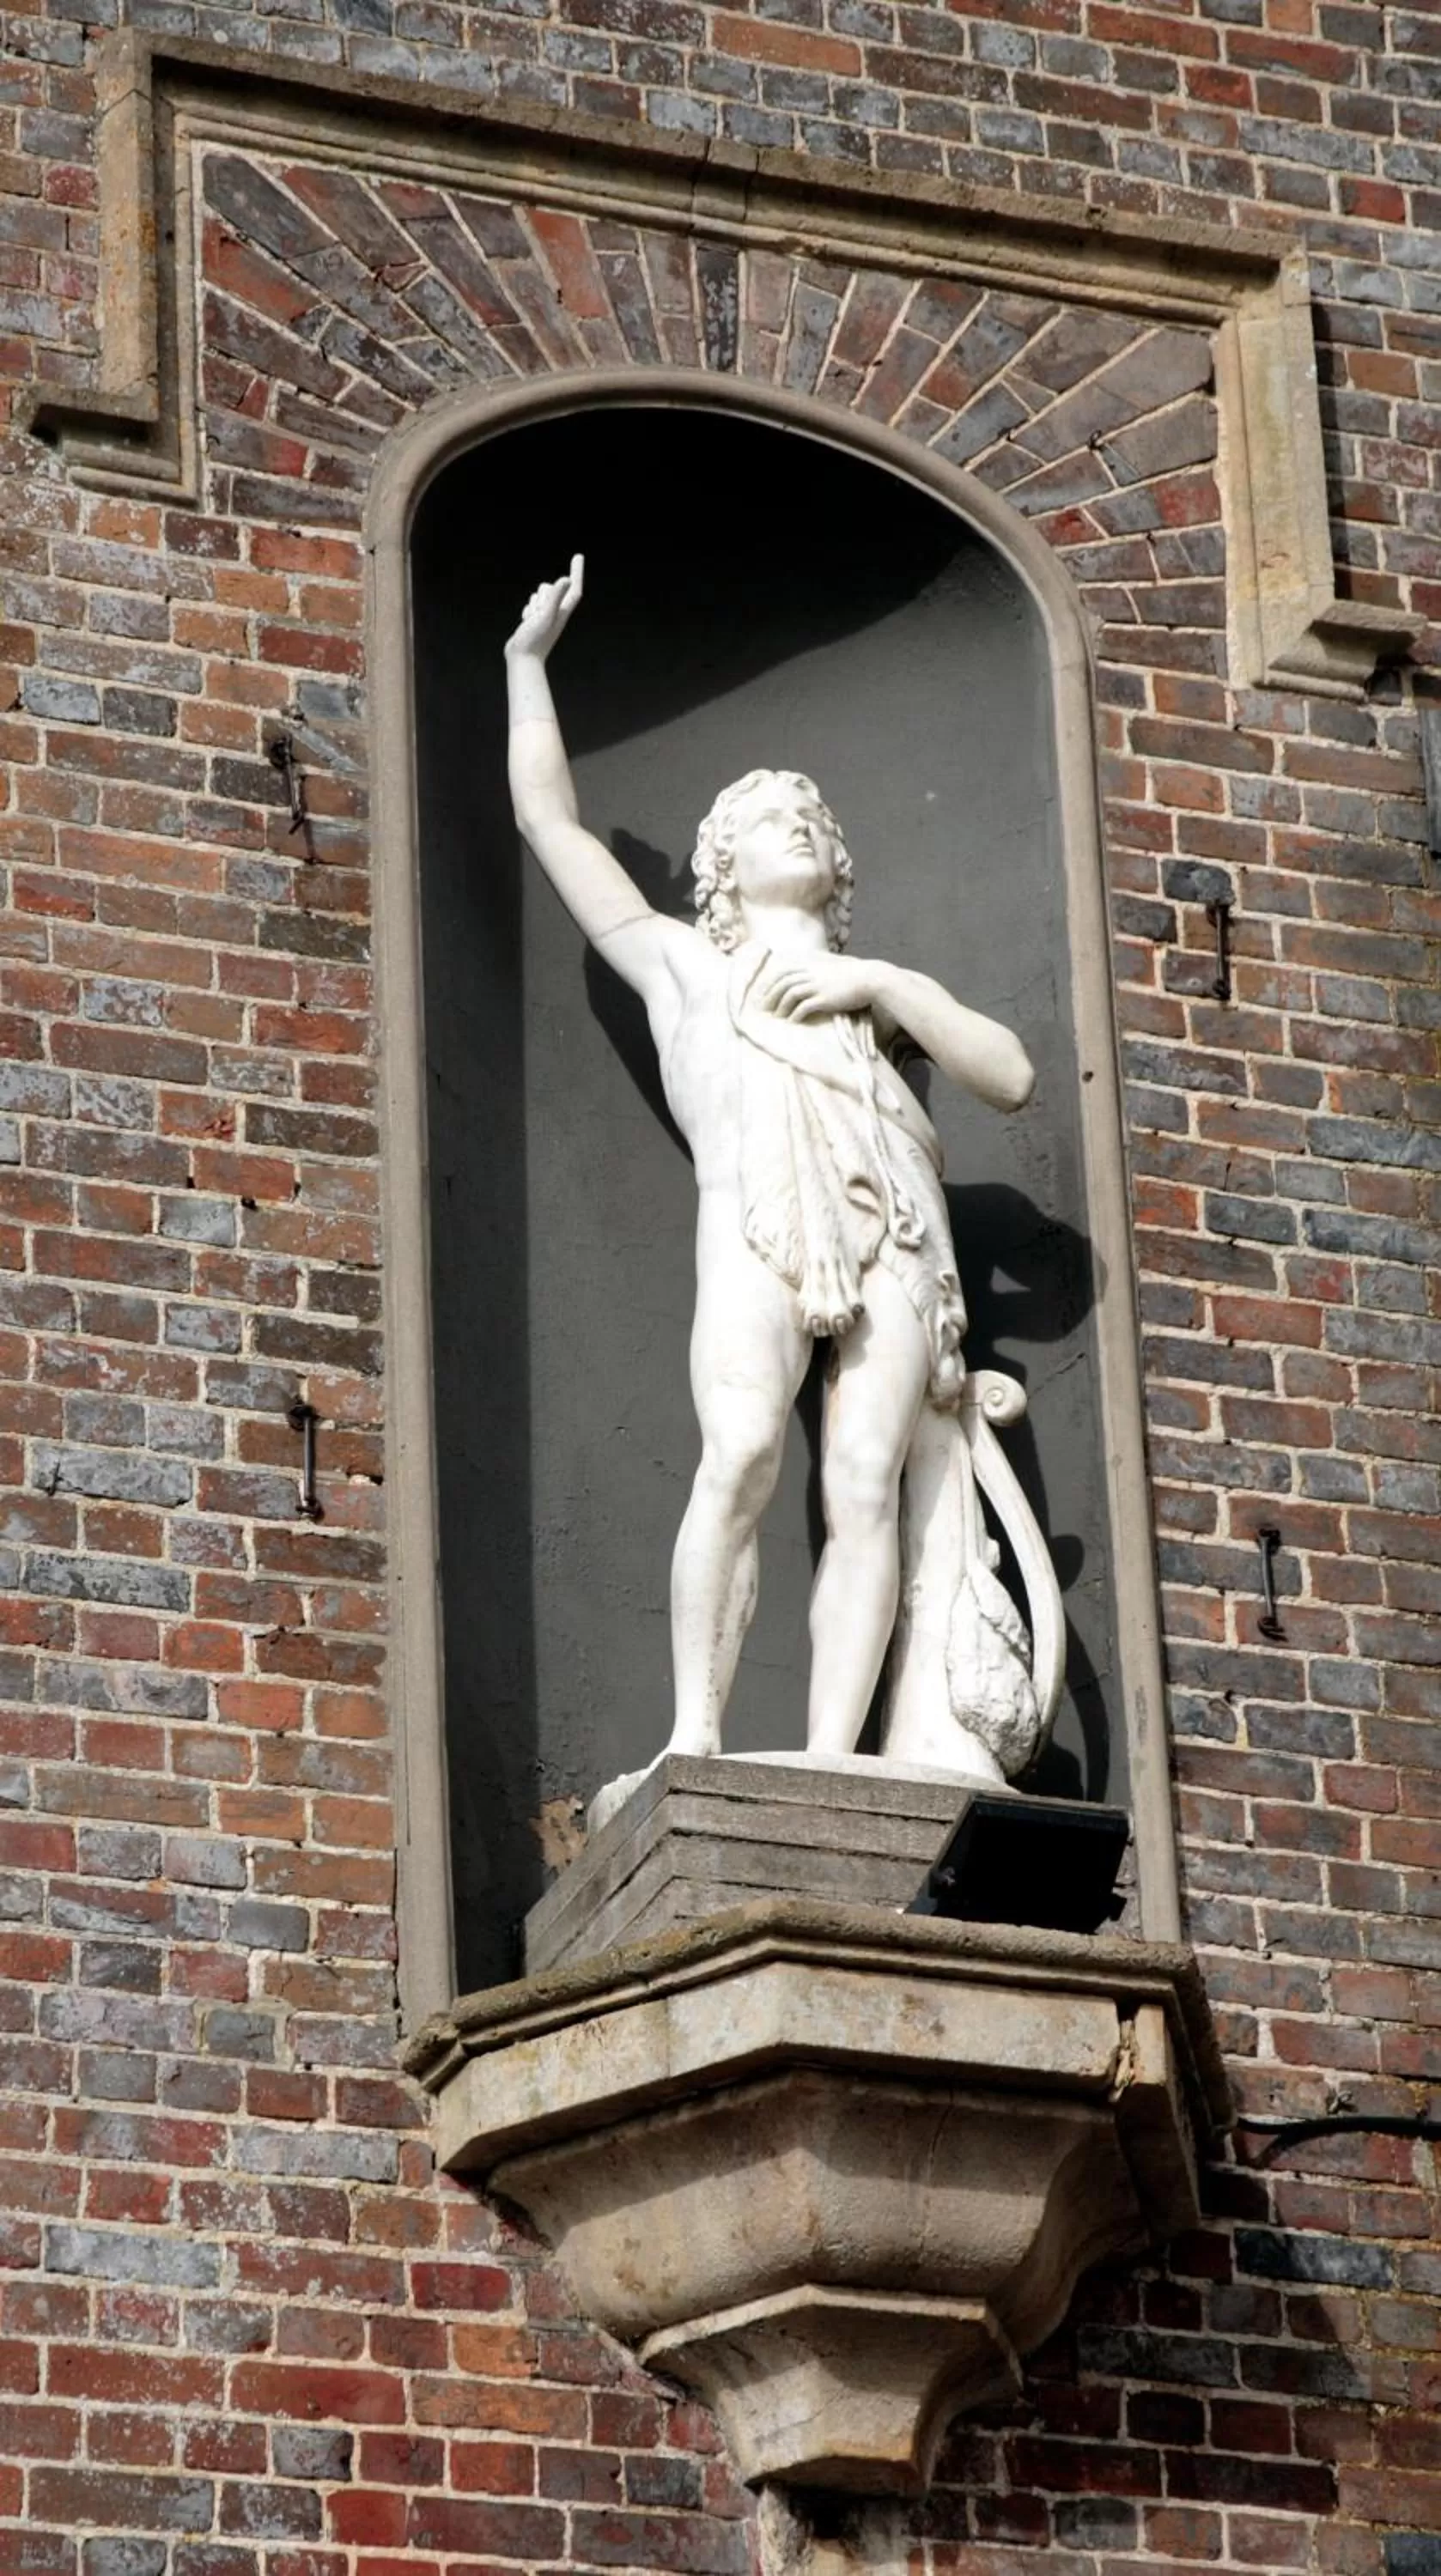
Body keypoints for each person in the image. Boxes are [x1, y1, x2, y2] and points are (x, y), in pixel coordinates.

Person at [506, 556, 1036, 1767]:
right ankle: (692, 1734)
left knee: (865, 1477)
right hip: (752, 1229)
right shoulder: (680, 964)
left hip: (894, 1235)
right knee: (742, 1451)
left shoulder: (873, 1000)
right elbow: (551, 823)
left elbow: (1007, 1073)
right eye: (760, 819)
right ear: (720, 866)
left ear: (836, 866)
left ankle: (834, 1757)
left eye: (810, 818)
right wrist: (524, 668)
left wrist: (884, 982)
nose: (792, 823)